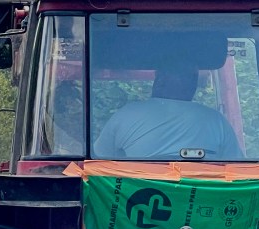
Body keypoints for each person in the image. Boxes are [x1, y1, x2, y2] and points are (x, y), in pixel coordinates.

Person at [93, 66, 244, 160]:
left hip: (134, 200)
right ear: (192, 85)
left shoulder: (126, 114)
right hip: (202, 200)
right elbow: (237, 169)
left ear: (159, 81)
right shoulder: (216, 121)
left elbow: (97, 161)